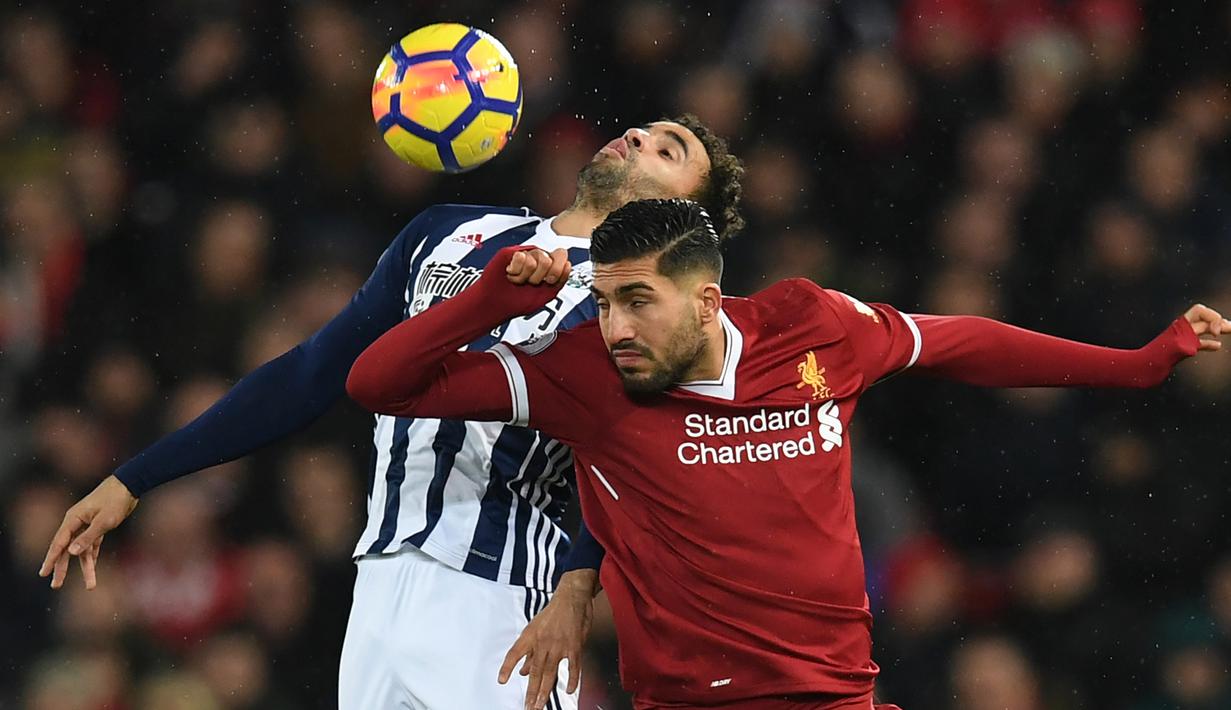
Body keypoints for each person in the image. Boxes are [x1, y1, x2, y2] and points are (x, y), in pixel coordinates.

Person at [345, 198, 1228, 710]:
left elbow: (961, 342)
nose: (614, 327)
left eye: (637, 301)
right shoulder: (580, 375)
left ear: (706, 301)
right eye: (604, 303)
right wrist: (487, 300)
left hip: (836, 699)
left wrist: (1135, 366)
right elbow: (377, 383)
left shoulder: (812, 326)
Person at [39, 119, 745, 709]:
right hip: (377, 586)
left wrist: (575, 588)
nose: (638, 138)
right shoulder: (448, 231)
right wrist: (135, 478)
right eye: (644, 131)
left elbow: (627, 455)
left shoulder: (644, 302)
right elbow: (311, 372)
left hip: (500, 600)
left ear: (688, 217)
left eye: (668, 151)